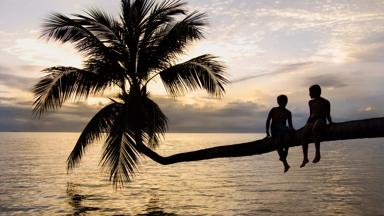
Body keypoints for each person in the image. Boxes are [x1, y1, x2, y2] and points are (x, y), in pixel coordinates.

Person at [300, 84, 333, 168]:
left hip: (321, 120)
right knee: (304, 134)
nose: (309, 94)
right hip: (312, 121)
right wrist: (306, 125)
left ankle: (317, 153)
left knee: (315, 129)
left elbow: (327, 114)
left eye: (310, 92)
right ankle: (305, 158)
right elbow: (311, 114)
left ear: (316, 92)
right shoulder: (310, 102)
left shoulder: (325, 102)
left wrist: (331, 123)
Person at [266, 95, 294, 173]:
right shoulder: (273, 110)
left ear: (286, 102)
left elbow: (290, 124)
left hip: (284, 130)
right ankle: (285, 163)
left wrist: (292, 130)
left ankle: (286, 155)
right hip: (275, 130)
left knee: (287, 137)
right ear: (278, 102)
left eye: (285, 102)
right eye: (281, 101)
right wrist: (267, 132)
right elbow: (268, 120)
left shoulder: (288, 113)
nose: (283, 103)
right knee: (277, 142)